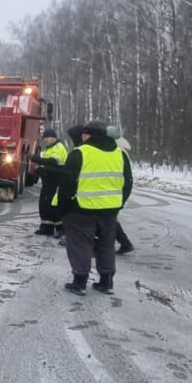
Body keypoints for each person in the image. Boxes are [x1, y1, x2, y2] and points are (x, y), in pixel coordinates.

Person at [56, 119, 133, 294]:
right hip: (110, 211)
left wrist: (64, 209)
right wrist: (119, 203)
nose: (82, 136)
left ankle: (80, 282)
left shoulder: (80, 153)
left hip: (81, 210)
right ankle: (106, 281)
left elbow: (67, 184)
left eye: (84, 133)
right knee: (106, 245)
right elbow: (128, 182)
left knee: (80, 245)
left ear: (88, 135)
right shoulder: (120, 154)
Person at [31, 127, 67, 236]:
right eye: (44, 138)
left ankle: (61, 228)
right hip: (48, 182)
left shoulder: (58, 147)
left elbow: (52, 163)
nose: (45, 139)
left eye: (48, 137)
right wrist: (39, 168)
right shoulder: (48, 149)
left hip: (56, 182)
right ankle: (46, 227)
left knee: (53, 205)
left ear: (54, 138)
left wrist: (37, 160)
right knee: (45, 204)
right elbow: (46, 164)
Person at [105, 125, 134, 253]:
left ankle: (123, 243)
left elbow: (127, 179)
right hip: (114, 194)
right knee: (110, 220)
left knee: (109, 220)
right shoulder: (117, 152)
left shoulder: (119, 153)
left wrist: (122, 199)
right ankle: (124, 243)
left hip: (116, 194)